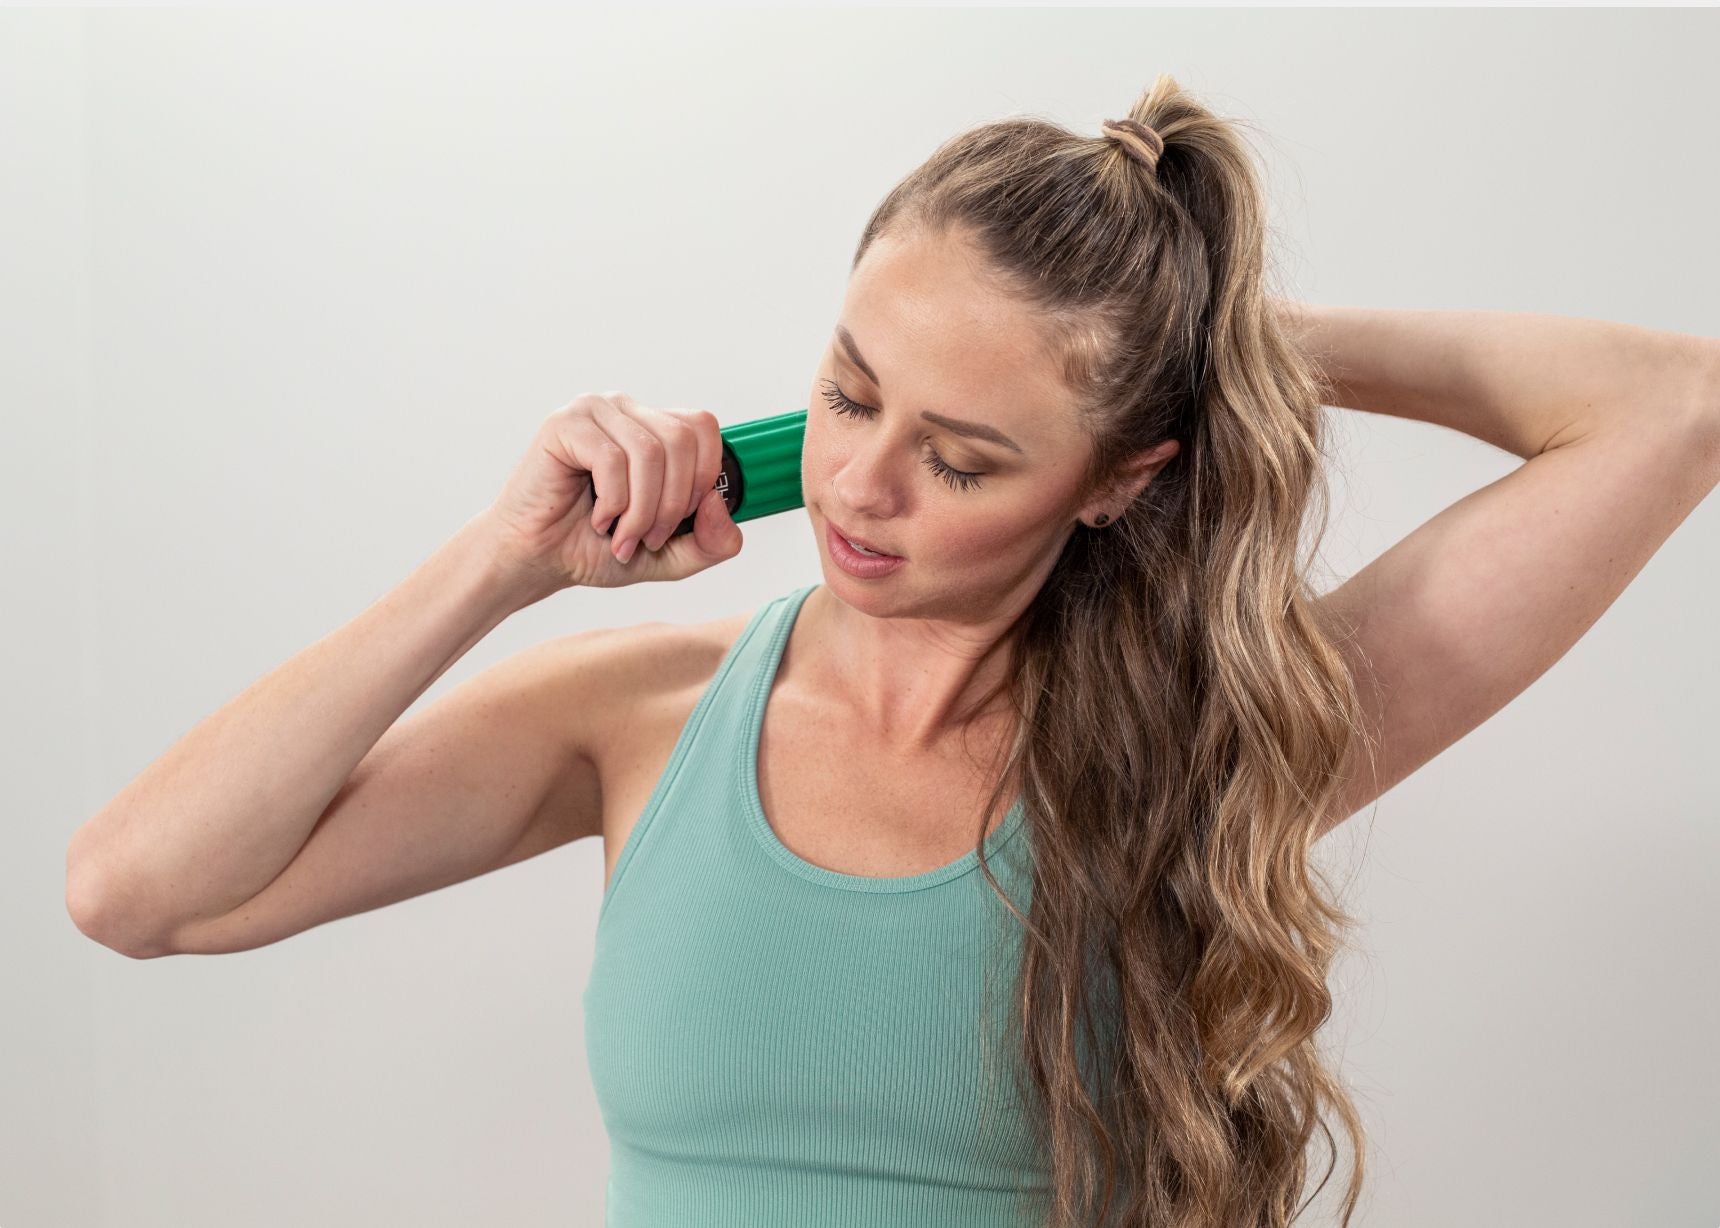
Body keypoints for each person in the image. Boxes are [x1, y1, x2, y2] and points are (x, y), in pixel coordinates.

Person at [66, 73, 1720, 1228]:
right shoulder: (639, 718)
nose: (859, 486)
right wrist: (504, 565)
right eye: (851, 390)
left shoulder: (1209, 749)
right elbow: (137, 894)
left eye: (968, 454)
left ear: (1115, 482)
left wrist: (1216, 346)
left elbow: (1672, 405)